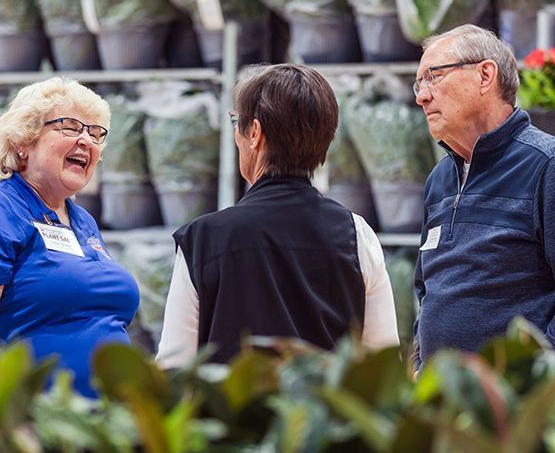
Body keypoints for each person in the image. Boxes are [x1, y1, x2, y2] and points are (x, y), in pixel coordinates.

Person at [156, 63, 400, 367]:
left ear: (254, 133)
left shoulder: (203, 238)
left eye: (236, 122)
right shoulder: (356, 233)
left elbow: (174, 367)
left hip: (231, 415)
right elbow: (381, 361)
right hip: (326, 414)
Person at [412, 25, 555, 369]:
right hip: (443, 407)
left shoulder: (551, 166)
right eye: (419, 84)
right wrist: (419, 366)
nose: (422, 96)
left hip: (514, 413)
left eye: (433, 77)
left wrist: (527, 382)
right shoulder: (439, 180)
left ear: (484, 75)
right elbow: (427, 292)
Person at [0, 77, 139, 397]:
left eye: (95, 132)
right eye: (70, 126)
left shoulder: (82, 221)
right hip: (41, 422)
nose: (87, 140)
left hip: (109, 420)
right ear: (23, 141)